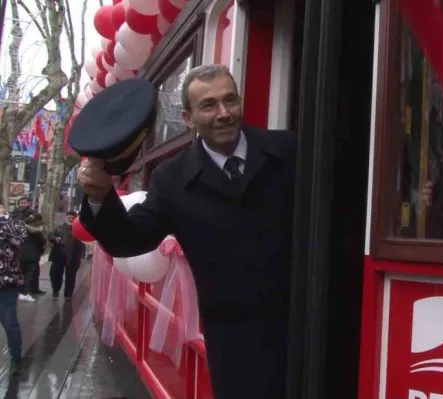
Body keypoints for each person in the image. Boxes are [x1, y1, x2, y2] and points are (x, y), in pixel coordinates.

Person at [77, 65, 297, 399]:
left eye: (230, 100)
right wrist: (98, 197)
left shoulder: (289, 151)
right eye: (209, 105)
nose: (223, 113)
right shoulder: (171, 179)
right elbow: (128, 240)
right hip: (236, 347)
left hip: (307, 334)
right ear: (189, 118)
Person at [0, 204, 27, 375]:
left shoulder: (12, 224)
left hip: (6, 283)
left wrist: (3, 220)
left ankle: (16, 358)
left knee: (9, 323)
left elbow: (21, 239)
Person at [48, 211, 85, 300]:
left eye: (72, 218)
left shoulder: (78, 229)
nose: (70, 219)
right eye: (69, 217)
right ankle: (55, 289)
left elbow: (82, 242)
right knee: (55, 274)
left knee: (71, 276)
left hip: (73, 257)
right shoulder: (59, 227)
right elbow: (50, 236)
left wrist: (82, 255)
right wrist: (55, 239)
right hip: (59, 255)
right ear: (66, 217)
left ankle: (68, 294)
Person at [11, 197, 44, 296]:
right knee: (28, 270)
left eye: (24, 202)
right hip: (23, 246)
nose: (22, 204)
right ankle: (28, 290)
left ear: (28, 203)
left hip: (31, 245)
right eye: (21, 203)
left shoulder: (32, 215)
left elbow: (38, 230)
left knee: (31, 271)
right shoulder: (16, 214)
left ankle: (30, 290)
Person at [18, 213, 46, 302]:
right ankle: (27, 293)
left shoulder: (23, 229)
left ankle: (25, 291)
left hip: (22, 254)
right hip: (32, 255)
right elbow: (42, 242)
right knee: (29, 275)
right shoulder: (37, 231)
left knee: (25, 273)